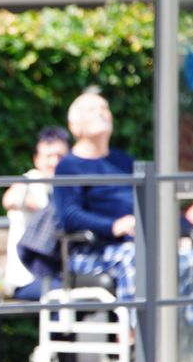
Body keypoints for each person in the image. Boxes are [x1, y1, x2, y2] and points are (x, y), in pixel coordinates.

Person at [52, 89, 137, 307]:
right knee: (135, 257)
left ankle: (186, 333)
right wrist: (114, 226)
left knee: (183, 257)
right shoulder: (68, 167)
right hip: (92, 249)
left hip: (134, 241)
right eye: (92, 109)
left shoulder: (124, 161)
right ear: (75, 126)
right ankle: (136, 334)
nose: (101, 113)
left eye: (104, 108)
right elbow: (69, 216)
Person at [2, 126, 70, 300]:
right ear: (37, 159)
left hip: (54, 275)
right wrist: (40, 208)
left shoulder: (66, 187)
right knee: (66, 295)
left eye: (60, 156)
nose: (55, 162)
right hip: (25, 279)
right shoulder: (30, 179)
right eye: (49, 156)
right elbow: (9, 199)